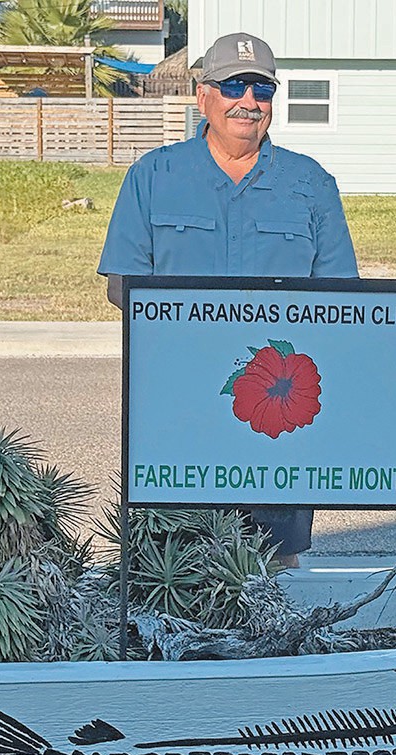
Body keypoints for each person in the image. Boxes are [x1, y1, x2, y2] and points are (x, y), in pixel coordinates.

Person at [98, 31, 358, 568]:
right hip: (177, 403)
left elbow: (342, 298)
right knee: (172, 566)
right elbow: (122, 284)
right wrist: (205, 331)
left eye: (262, 90)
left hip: (277, 414)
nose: (249, 101)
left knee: (273, 567)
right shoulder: (154, 176)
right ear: (202, 96)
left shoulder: (310, 184)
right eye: (233, 85)